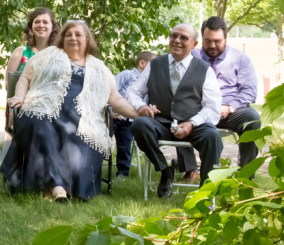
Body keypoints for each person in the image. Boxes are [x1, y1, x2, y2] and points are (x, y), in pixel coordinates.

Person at [1, 21, 140, 202]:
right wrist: (19, 97)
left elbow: (115, 99)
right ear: (62, 38)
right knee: (41, 123)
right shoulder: (47, 55)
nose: (73, 38)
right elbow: (25, 78)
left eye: (78, 34)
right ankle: (58, 187)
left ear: (87, 39)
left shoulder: (99, 67)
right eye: (68, 35)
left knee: (82, 134)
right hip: (42, 106)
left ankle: (51, 188)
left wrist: (140, 113)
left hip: (82, 116)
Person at [126, 23, 224, 197]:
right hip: (161, 123)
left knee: (212, 136)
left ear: (194, 44)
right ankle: (165, 171)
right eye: (174, 36)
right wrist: (141, 106)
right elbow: (133, 91)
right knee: (140, 125)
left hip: (193, 125)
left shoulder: (204, 69)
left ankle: (206, 192)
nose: (177, 41)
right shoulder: (155, 64)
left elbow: (212, 107)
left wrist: (192, 123)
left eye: (183, 38)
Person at [189, 16, 262, 167]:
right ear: (202, 38)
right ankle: (190, 170)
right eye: (208, 41)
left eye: (217, 41)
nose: (212, 45)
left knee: (252, 119)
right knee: (178, 114)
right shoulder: (191, 57)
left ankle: (246, 175)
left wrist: (230, 108)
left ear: (226, 38)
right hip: (198, 111)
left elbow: (249, 91)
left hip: (229, 111)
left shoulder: (240, 59)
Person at [5, 8, 58, 129]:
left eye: (45, 22)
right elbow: (8, 86)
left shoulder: (58, 54)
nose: (41, 25)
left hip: (51, 106)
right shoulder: (20, 52)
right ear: (31, 27)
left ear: (52, 26)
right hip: (22, 105)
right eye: (37, 22)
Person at [112, 51, 157, 178]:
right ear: (142, 63)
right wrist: (111, 108)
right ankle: (96, 168)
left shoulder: (149, 83)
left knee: (125, 147)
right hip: (114, 116)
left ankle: (122, 174)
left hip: (129, 121)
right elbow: (110, 89)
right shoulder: (127, 75)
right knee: (103, 143)